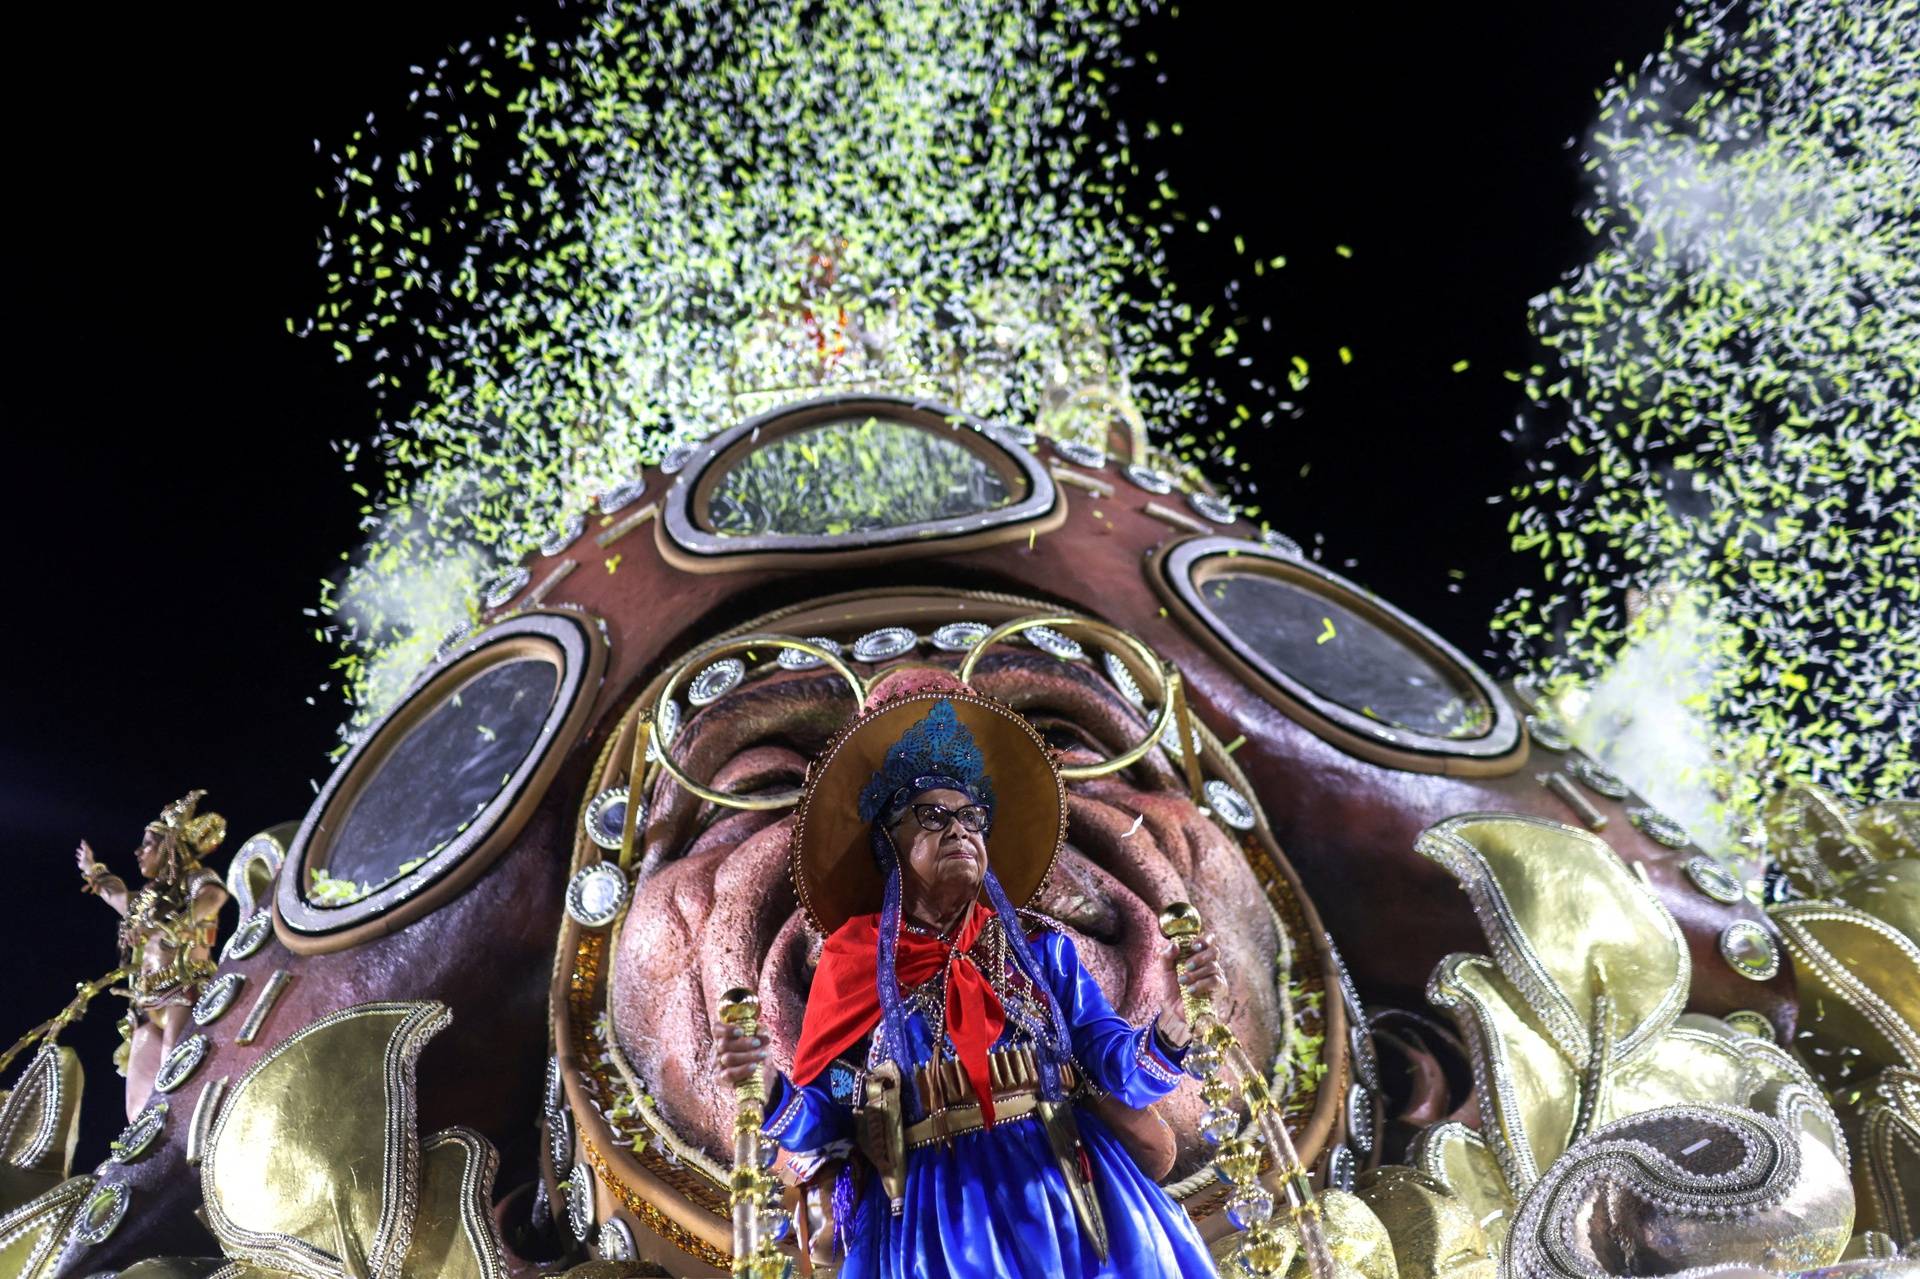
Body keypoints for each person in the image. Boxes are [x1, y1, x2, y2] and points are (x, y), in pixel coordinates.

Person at [714, 672, 1224, 1277]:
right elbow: (829, 1128)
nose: (959, 829)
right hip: (931, 1216)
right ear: (889, 845)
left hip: (1074, 1194)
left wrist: (1172, 1022)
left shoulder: (1040, 949)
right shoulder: (853, 962)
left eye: (972, 817)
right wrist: (767, 1088)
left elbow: (1118, 1074)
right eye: (932, 816)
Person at [76, 789, 229, 1118]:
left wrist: (172, 926)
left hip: (183, 989)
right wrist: (94, 871)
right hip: (145, 1002)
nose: (137, 851)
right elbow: (115, 895)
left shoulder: (194, 880)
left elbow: (214, 897)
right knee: (139, 1105)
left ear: (169, 848)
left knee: (177, 1083)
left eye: (147, 844)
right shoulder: (146, 902)